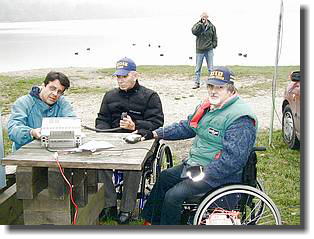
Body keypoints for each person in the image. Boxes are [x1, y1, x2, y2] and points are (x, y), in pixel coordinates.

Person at [139, 66, 257, 225]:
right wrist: (155, 133)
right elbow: (187, 126)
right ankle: (151, 222)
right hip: (196, 164)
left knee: (173, 196)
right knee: (165, 178)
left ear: (230, 89)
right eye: (210, 86)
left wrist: (204, 172)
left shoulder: (240, 118)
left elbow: (233, 161)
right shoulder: (208, 107)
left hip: (219, 174)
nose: (213, 91)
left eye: (219, 87)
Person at [95, 57, 164, 224]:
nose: (120, 80)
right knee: (97, 161)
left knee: (132, 166)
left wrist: (136, 125)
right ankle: (109, 204)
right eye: (118, 77)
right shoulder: (110, 95)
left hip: (139, 141)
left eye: (124, 77)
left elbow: (157, 123)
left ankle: (126, 208)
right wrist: (106, 135)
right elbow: (101, 119)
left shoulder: (150, 96)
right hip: (113, 140)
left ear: (135, 75)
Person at [7, 71, 75, 151]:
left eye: (59, 92)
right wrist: (31, 132)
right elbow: (13, 130)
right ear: (43, 85)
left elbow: (72, 123)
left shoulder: (63, 102)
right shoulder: (23, 102)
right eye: (52, 88)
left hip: (56, 152)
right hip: (26, 154)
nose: (55, 94)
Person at [191, 12, 217, 89]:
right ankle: (196, 83)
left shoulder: (212, 26)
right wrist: (201, 24)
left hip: (209, 50)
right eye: (202, 17)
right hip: (200, 50)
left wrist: (213, 45)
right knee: (198, 68)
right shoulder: (198, 25)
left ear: (207, 17)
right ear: (201, 17)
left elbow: (215, 37)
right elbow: (194, 31)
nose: (204, 18)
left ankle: (211, 83)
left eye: (205, 17)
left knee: (211, 68)